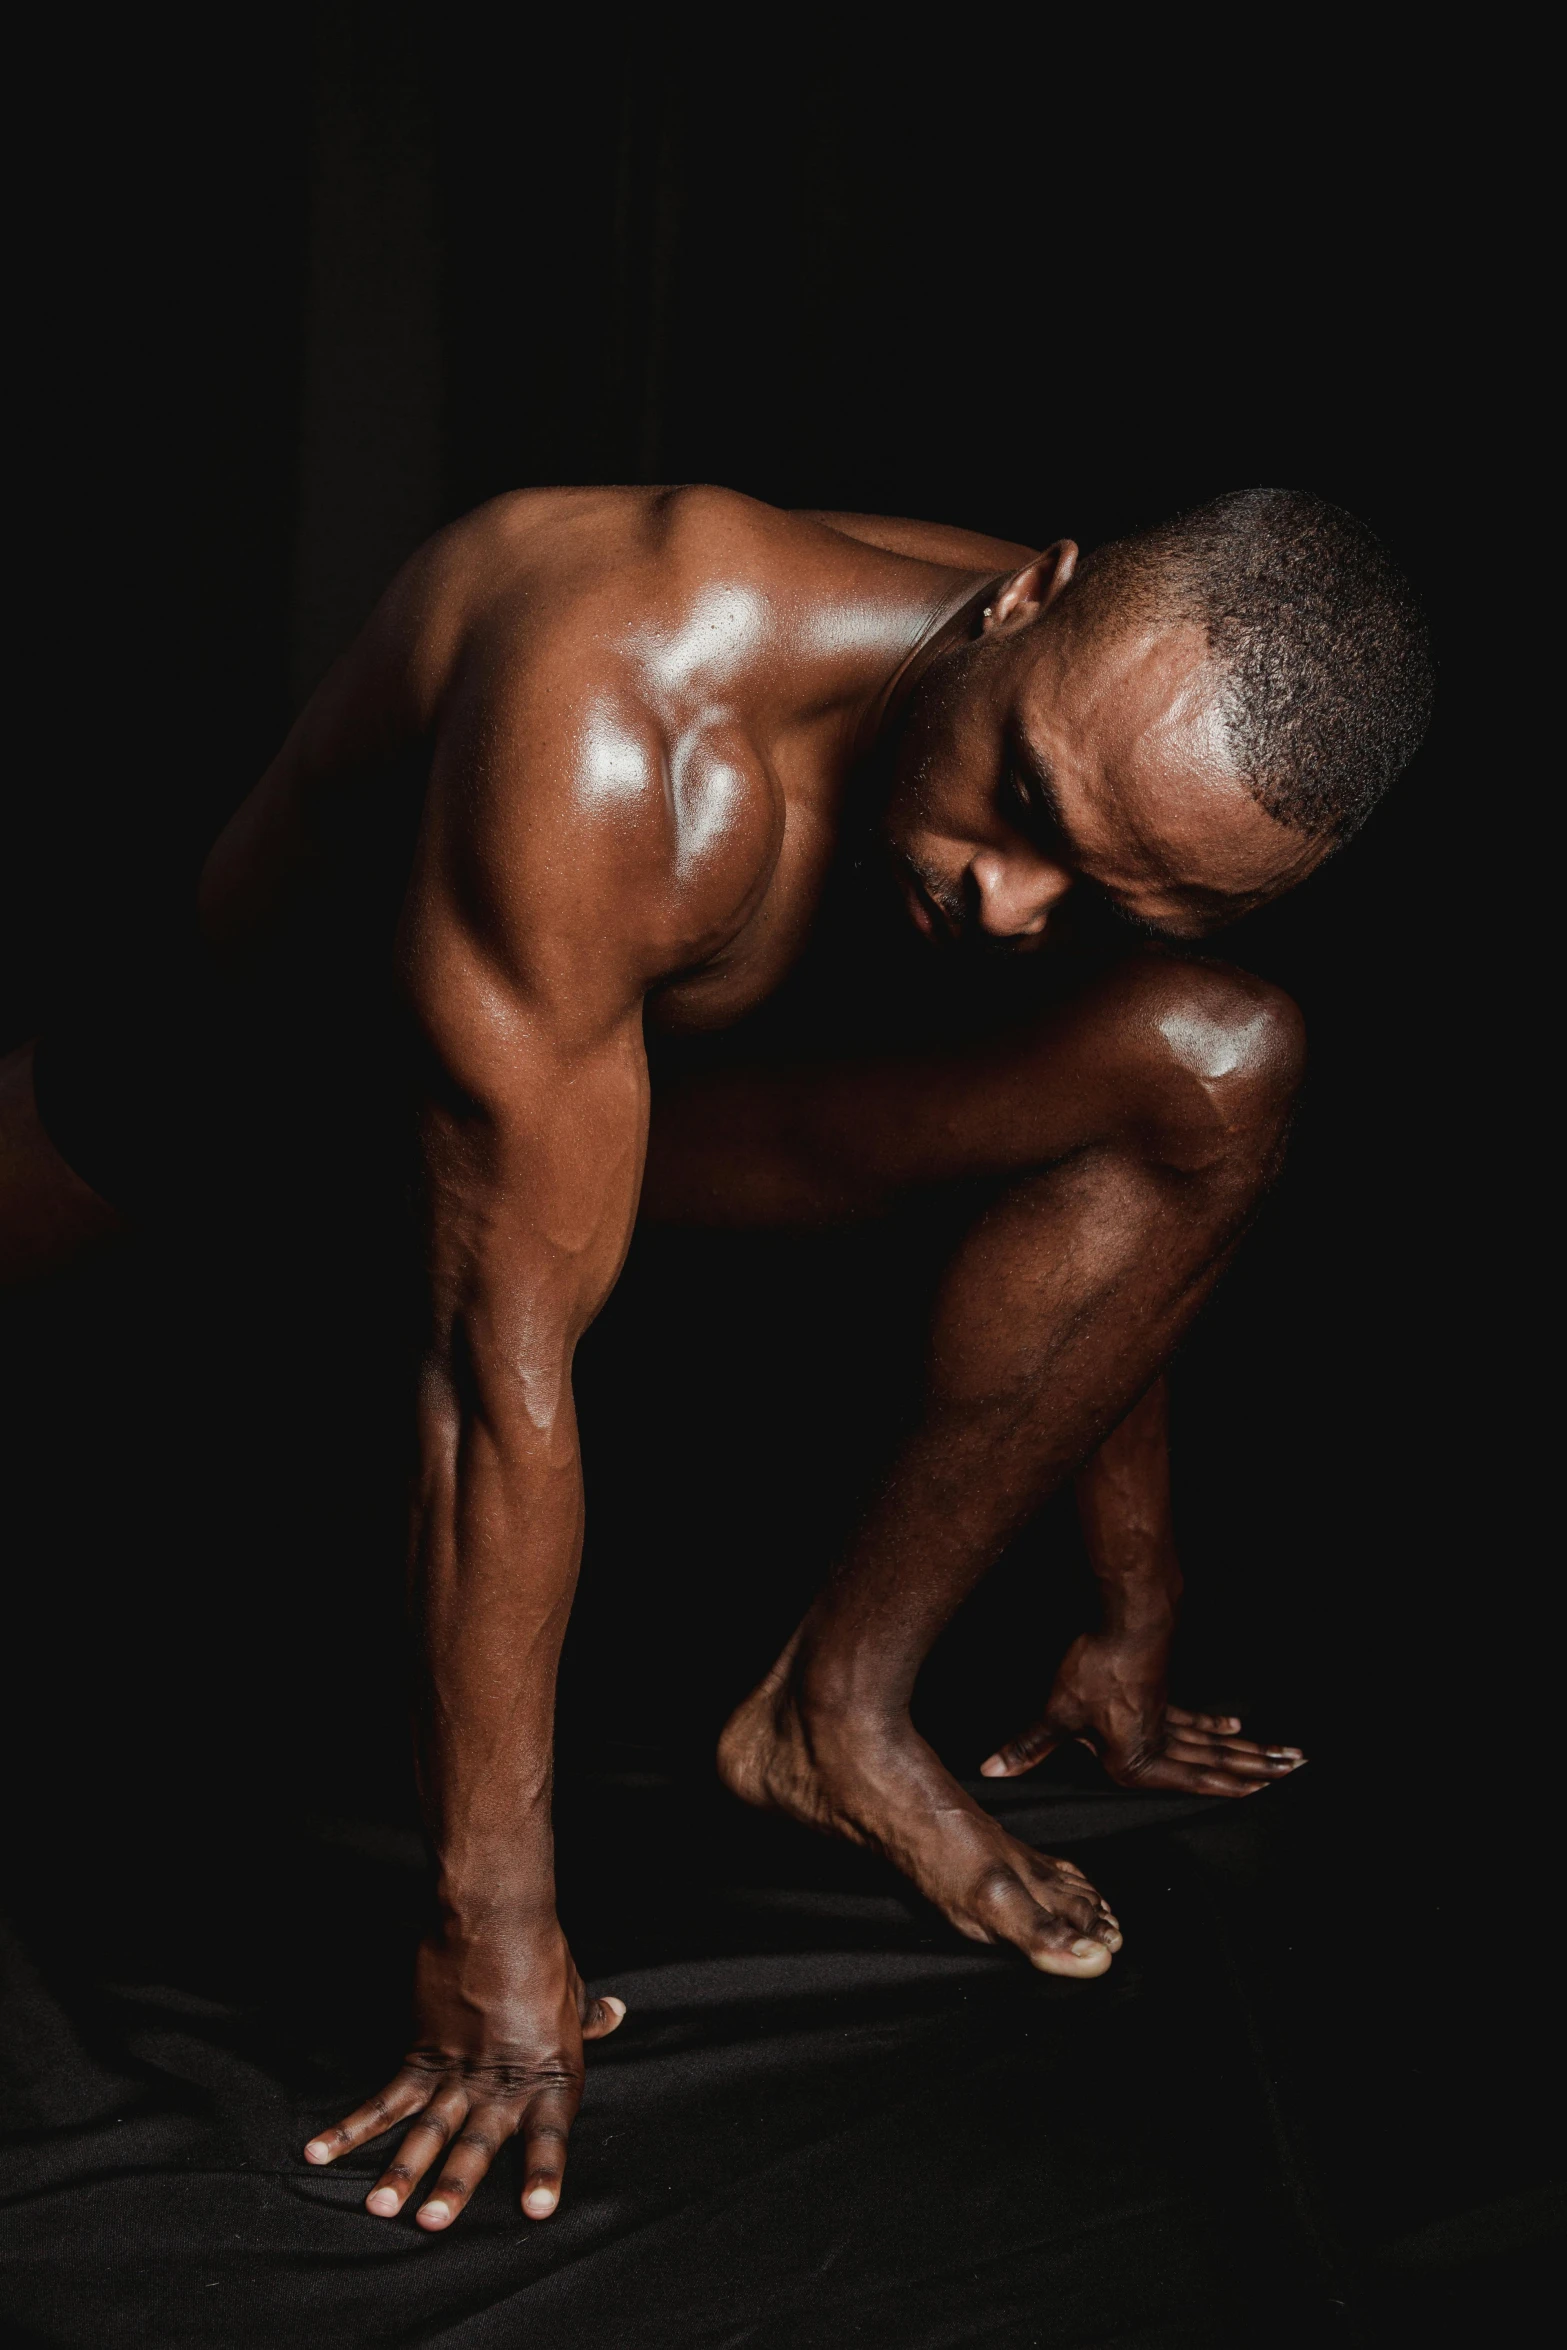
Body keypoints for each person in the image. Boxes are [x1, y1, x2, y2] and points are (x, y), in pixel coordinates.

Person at [0, 482, 1431, 2233]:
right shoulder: (619, 701)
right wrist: (493, 1926)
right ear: (1025, 598)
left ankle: (835, 1713)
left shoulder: (1081, 720)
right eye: (1028, 808)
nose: (1004, 902)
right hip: (257, 1067)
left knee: (1219, 1063)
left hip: (621, 1090)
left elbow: (1122, 1192)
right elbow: (487, 1376)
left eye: (1109, 898)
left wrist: (1128, 1605)